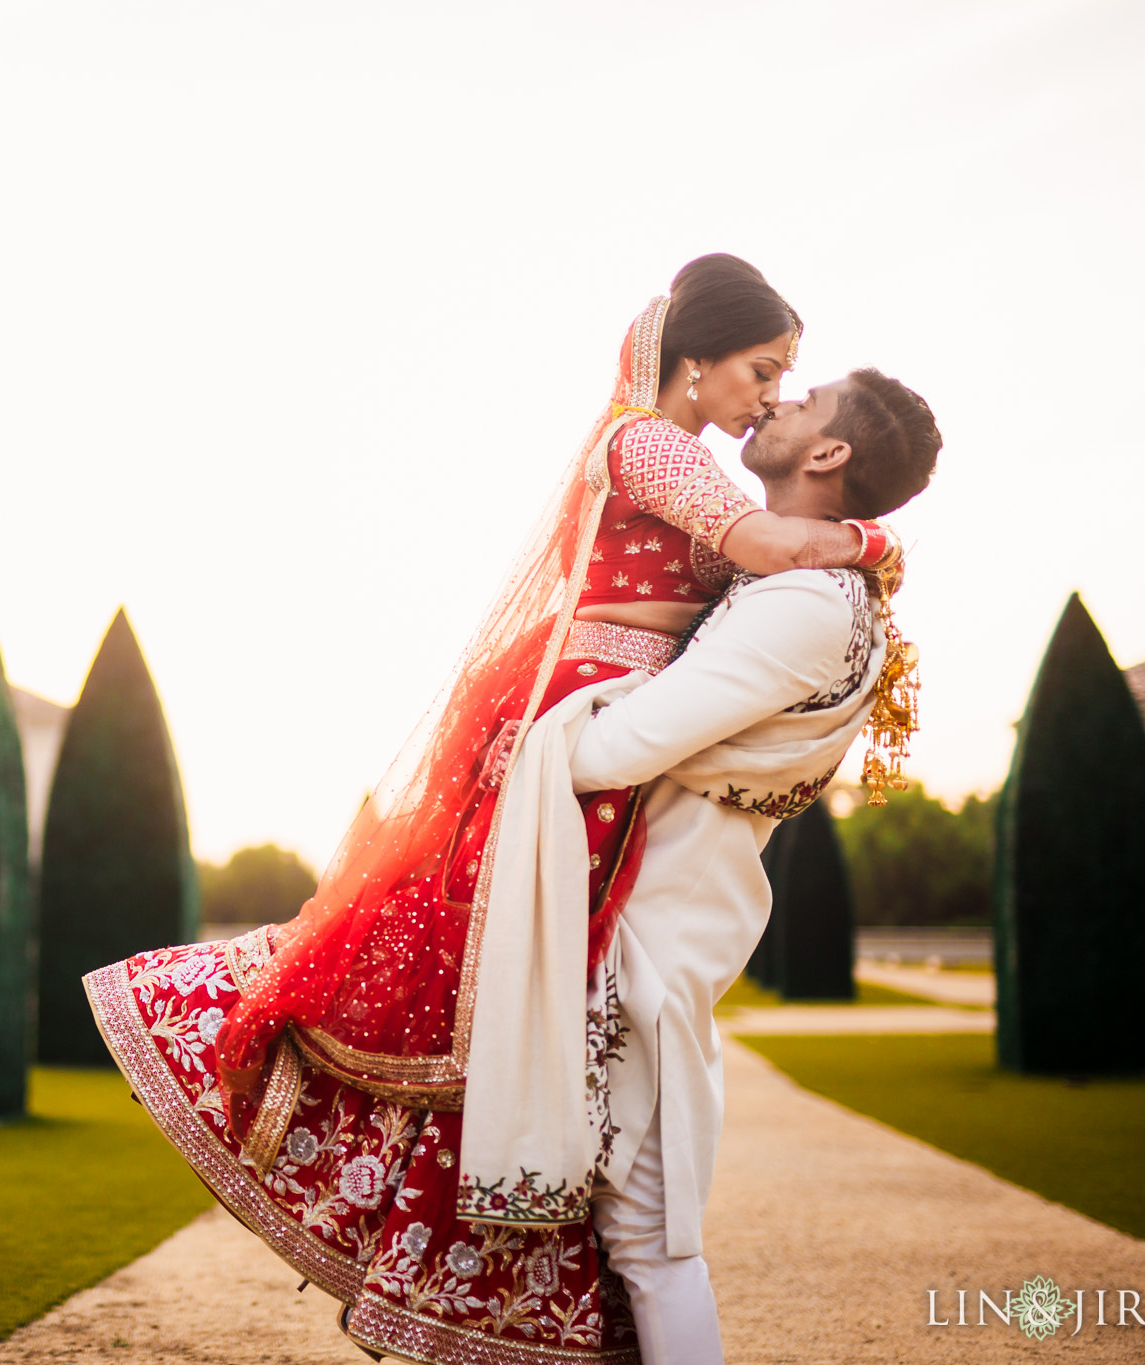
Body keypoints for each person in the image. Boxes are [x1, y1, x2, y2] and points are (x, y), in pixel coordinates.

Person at [83, 256, 905, 1363]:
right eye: (762, 370)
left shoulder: (706, 489)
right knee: (468, 965)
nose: (768, 395)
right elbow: (757, 548)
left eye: (787, 383)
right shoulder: (643, 438)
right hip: (579, 709)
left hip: (610, 721)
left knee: (505, 997)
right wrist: (869, 541)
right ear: (693, 360)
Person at [466, 369, 941, 1364]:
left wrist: (535, 733)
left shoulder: (808, 604)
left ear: (828, 455)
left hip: (655, 937)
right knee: (624, 1237)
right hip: (645, 917)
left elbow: (615, 750)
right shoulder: (791, 583)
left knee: (650, 1239)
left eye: (799, 395)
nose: (774, 401)